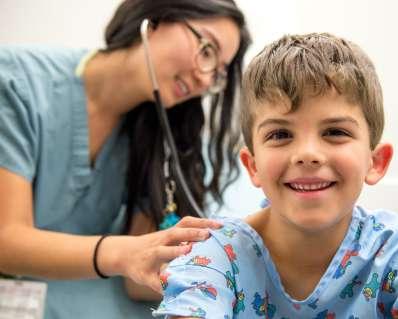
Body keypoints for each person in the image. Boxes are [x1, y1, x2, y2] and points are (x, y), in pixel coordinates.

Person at [153, 33, 398, 318]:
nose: (307, 153)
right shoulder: (214, 255)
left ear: (375, 161)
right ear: (252, 166)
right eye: (280, 134)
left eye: (335, 131)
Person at [0, 0, 251, 318]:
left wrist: (224, 271)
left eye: (217, 74)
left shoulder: (158, 134)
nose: (205, 80)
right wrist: (123, 254)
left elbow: (138, 282)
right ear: (156, 18)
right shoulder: (16, 84)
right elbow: (5, 242)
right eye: (207, 50)